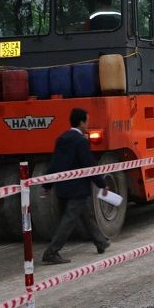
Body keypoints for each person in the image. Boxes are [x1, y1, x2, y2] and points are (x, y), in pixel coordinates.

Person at [42, 108, 110, 265]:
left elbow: (54, 163)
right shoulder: (81, 141)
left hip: (63, 187)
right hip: (78, 188)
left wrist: (48, 184)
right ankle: (52, 252)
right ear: (81, 122)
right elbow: (89, 165)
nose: (88, 124)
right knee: (69, 220)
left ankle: (100, 242)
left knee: (86, 214)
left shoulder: (61, 138)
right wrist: (102, 184)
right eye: (87, 121)